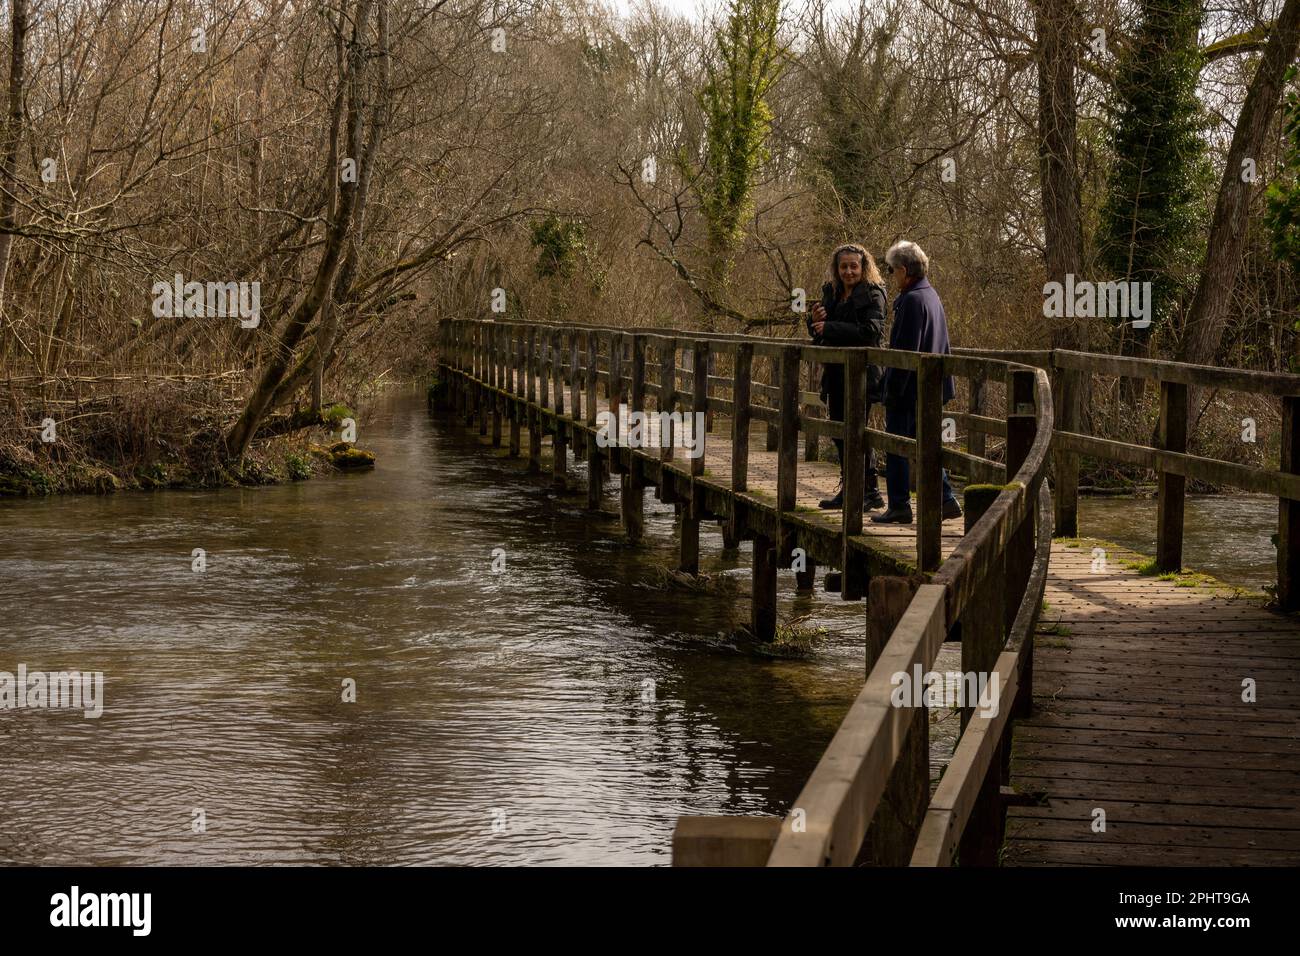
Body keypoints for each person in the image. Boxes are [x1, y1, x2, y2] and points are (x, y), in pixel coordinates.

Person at [871, 240, 963, 525]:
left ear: (904, 270)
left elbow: (904, 353)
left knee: (897, 446)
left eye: (892, 270)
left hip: (911, 389)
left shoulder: (912, 300)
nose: (892, 276)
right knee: (928, 444)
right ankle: (945, 499)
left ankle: (899, 505)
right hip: (930, 387)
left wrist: (890, 390)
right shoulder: (930, 294)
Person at [808, 243, 886, 511]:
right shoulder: (831, 292)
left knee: (857, 431)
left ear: (864, 267)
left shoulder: (874, 293)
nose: (849, 271)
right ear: (837, 268)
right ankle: (852, 488)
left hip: (862, 374)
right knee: (840, 431)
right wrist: (814, 321)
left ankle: (868, 490)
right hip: (835, 372)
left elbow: (870, 331)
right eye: (844, 266)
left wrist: (829, 326)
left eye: (854, 266)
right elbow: (820, 331)